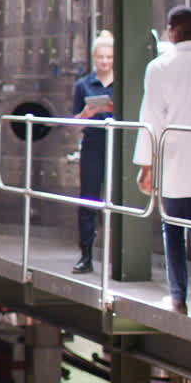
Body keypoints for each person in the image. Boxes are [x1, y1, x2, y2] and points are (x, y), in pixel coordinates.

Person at [135, 5, 191, 316]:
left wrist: (146, 166)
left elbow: (151, 118)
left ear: (170, 30)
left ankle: (178, 299)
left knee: (174, 230)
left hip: (174, 163)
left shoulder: (159, 67)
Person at [70, 31, 115, 274]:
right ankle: (86, 255)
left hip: (117, 144)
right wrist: (85, 115)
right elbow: (74, 123)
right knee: (88, 198)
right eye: (101, 57)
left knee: (118, 199)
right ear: (94, 57)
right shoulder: (83, 85)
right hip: (93, 144)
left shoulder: (123, 84)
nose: (105, 61)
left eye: (109, 57)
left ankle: (118, 256)